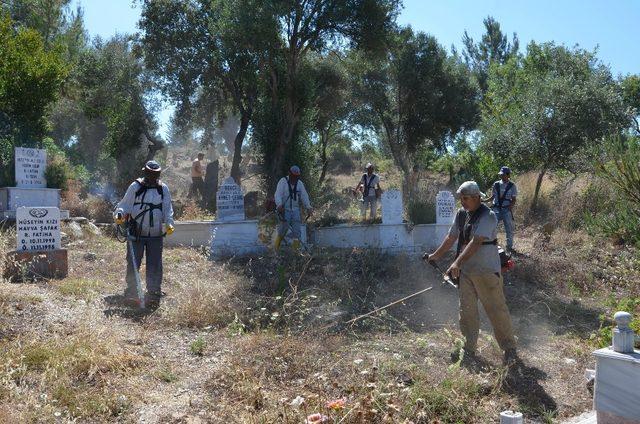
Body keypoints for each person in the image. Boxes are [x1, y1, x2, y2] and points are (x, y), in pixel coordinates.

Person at [425, 181, 517, 364]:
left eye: (465, 198)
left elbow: (476, 242)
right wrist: (435, 256)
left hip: (486, 271)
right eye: (461, 198)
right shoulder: (461, 214)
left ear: (477, 198)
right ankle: (469, 348)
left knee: (496, 310)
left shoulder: (488, 216)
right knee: (466, 312)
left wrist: (456, 263)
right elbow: (451, 237)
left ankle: (509, 349)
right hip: (467, 272)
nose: (462, 202)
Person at [114, 160, 174, 309]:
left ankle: (153, 293)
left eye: (156, 174)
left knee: (154, 264)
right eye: (150, 174)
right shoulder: (136, 187)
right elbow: (124, 205)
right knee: (133, 262)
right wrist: (119, 215)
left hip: (155, 234)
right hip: (136, 233)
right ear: (145, 173)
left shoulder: (163, 189)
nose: (153, 177)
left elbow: (168, 209)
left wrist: (169, 223)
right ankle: (132, 292)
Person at [274, 165, 313, 251]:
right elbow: (278, 195)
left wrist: (308, 207)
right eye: (293, 176)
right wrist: (279, 205)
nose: (295, 178)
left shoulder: (300, 184)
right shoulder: (283, 181)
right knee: (282, 231)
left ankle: (296, 252)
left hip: (295, 210)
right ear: (289, 174)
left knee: (297, 233)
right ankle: (275, 250)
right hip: (284, 210)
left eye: (297, 176)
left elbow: (304, 196)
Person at [483, 166, 517, 253]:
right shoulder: (496, 184)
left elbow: (513, 200)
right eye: (500, 174)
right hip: (496, 209)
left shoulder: (512, 186)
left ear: (508, 175)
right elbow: (493, 197)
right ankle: (490, 245)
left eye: (503, 174)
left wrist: (509, 208)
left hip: (506, 210)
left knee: (509, 229)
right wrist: (483, 201)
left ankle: (509, 247)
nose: (501, 176)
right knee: (491, 227)